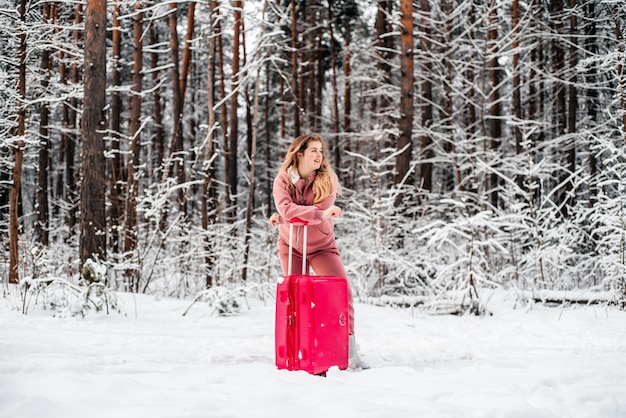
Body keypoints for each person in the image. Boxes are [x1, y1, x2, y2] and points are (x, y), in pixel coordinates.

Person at [269, 133, 367, 370]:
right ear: (299, 153)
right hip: (290, 245)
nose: (318, 155)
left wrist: (296, 214)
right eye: (313, 150)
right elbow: (285, 209)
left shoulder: (326, 180)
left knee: (341, 293)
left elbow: (303, 211)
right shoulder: (283, 180)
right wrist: (311, 214)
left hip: (322, 246)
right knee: (295, 298)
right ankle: (296, 351)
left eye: (321, 151)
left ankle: (349, 352)